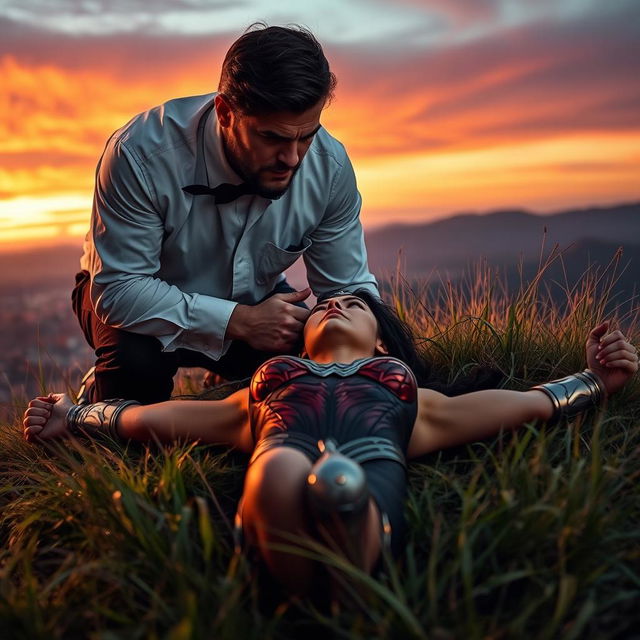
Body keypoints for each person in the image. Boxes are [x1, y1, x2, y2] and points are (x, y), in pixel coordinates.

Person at [23, 291, 639, 596]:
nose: (337, 304)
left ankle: (340, 551)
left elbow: (517, 406)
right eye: (325, 305)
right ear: (297, 340)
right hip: (280, 475)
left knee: (342, 483)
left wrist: (594, 381)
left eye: (354, 304)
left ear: (381, 344)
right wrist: (75, 416)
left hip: (369, 486)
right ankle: (314, 561)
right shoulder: (268, 386)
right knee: (284, 475)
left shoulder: (406, 393)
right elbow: (161, 419)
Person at [73, 23, 378, 405]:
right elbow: (119, 290)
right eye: (272, 138)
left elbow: (346, 285)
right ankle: (99, 393)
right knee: (136, 375)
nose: (293, 158)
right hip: (130, 299)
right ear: (225, 112)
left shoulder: (329, 169)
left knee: (312, 378)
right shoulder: (139, 154)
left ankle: (226, 381)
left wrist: (379, 349)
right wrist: (240, 322)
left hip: (256, 299)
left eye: (307, 136)